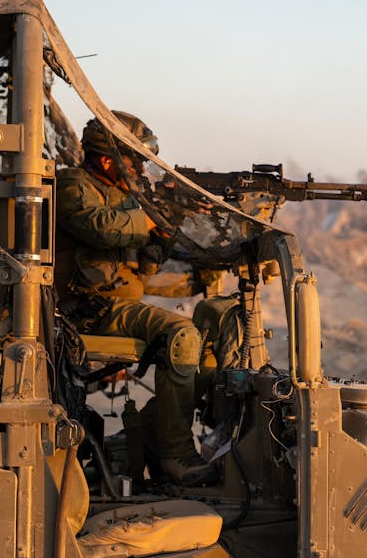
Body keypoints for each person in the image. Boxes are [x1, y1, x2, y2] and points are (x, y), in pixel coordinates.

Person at [55, 111, 217, 487]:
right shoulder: (71, 184)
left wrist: (168, 225)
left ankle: (149, 437)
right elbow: (99, 229)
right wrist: (147, 216)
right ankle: (176, 454)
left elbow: (141, 272)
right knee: (180, 335)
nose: (141, 168)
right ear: (108, 159)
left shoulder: (126, 198)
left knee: (204, 348)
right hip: (84, 311)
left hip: (118, 308)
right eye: (135, 159)